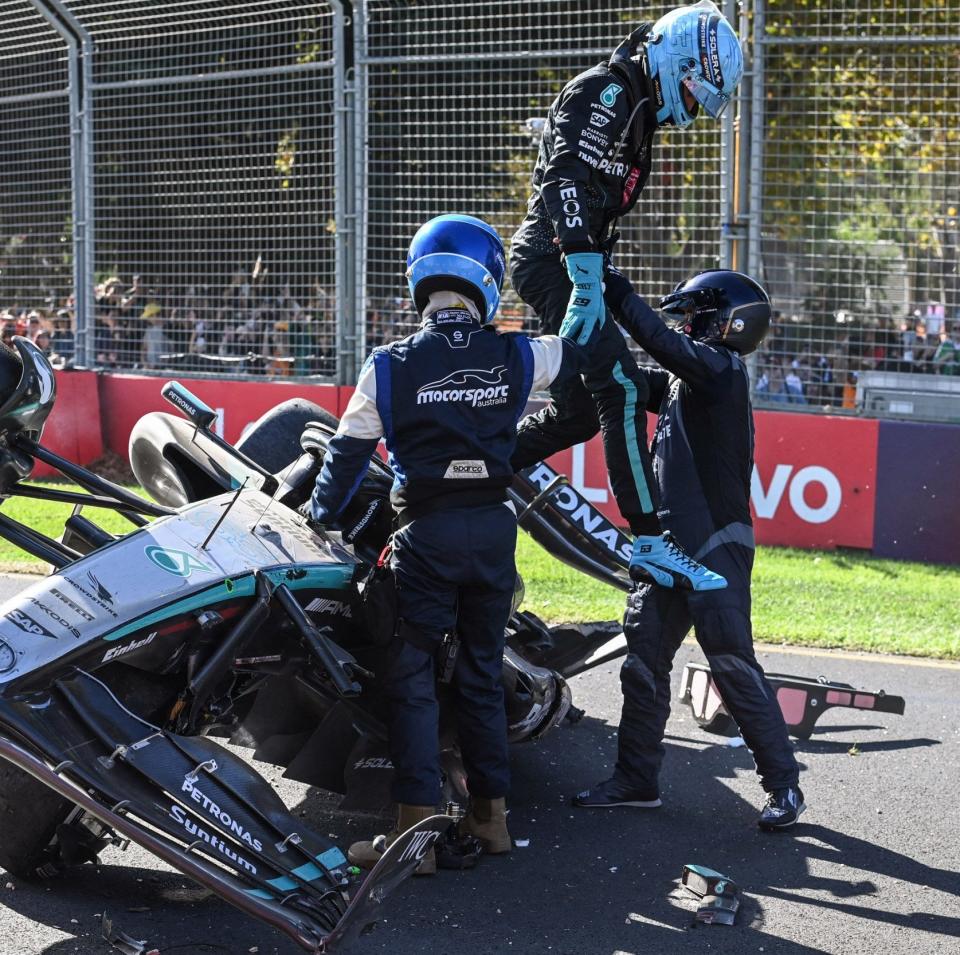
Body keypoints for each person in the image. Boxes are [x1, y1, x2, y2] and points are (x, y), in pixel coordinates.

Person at [301, 214, 599, 873]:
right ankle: (490, 821)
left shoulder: (388, 363)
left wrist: (319, 518)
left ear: (420, 280)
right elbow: (575, 350)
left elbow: (344, 460)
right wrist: (584, 286)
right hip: (493, 534)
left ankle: (415, 836)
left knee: (411, 679)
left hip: (424, 539)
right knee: (482, 675)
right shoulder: (519, 352)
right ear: (488, 280)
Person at [509, 1, 742, 590]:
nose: (689, 114)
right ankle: (649, 543)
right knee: (621, 389)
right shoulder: (608, 93)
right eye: (693, 96)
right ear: (676, 59)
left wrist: (603, 283)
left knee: (580, 413)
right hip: (552, 263)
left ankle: (470, 472)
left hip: (576, 266)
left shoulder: (638, 113)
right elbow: (564, 179)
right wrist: (587, 282)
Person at [572, 267, 805, 831]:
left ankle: (784, 788)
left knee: (730, 662)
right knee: (643, 661)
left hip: (715, 547)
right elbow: (625, 374)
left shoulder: (722, 371)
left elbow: (660, 341)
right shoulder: (687, 379)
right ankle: (636, 780)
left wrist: (615, 289)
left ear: (728, 321)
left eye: (698, 311)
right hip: (667, 547)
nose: (688, 320)